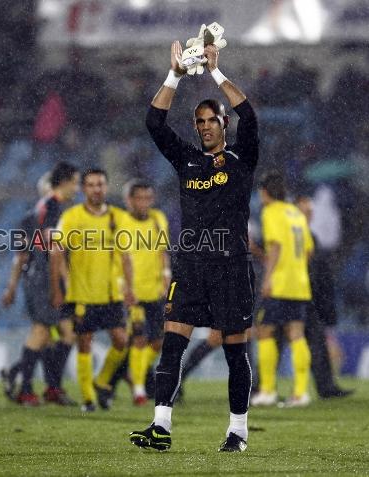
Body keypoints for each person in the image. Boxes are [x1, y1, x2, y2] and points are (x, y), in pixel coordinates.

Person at [130, 40, 258, 452]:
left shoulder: (242, 158)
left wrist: (217, 71)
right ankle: (161, 427)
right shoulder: (186, 160)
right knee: (172, 345)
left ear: (223, 123)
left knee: (235, 354)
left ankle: (237, 431)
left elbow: (249, 113)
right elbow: (153, 122)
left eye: (211, 119)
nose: (204, 126)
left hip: (232, 267)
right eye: (199, 121)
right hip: (191, 268)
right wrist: (175, 75)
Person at [50, 169, 135, 412]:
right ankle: (88, 398)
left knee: (121, 341)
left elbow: (126, 255)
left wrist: (129, 287)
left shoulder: (118, 217)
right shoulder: (72, 217)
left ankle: (102, 380)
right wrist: (57, 288)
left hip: (111, 293)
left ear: (106, 188)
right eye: (90, 185)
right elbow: (57, 252)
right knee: (84, 343)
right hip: (82, 294)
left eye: (100, 184)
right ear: (84, 189)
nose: (96, 189)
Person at [1, 162, 80, 406]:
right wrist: (60, 286)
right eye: (75, 183)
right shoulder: (52, 208)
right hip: (45, 278)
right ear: (64, 182)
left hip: (42, 277)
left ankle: (43, 384)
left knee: (66, 333)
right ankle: (26, 388)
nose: (77, 189)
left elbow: (26, 254)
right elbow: (53, 250)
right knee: (42, 332)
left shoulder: (40, 210)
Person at [251, 173, 313, 408]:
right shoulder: (295, 212)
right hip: (299, 284)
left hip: (279, 283)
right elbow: (308, 251)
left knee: (265, 332)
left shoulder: (271, 212)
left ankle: (267, 391)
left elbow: (275, 246)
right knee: (296, 334)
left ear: (265, 192)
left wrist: (268, 278)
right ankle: (300, 392)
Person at [295, 195, 353, 399]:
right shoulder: (289, 234)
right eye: (304, 211)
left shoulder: (312, 237)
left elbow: (320, 273)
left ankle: (326, 387)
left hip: (308, 299)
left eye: (310, 212)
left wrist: (324, 302)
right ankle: (257, 386)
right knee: (274, 341)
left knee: (317, 342)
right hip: (287, 296)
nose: (308, 215)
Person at [122, 179, 171, 405]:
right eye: (139, 198)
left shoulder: (158, 219)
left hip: (154, 289)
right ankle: (139, 389)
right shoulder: (122, 222)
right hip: (134, 292)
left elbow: (163, 252)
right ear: (130, 200)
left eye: (147, 198)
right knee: (139, 338)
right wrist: (124, 287)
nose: (144, 203)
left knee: (157, 342)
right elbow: (120, 258)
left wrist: (166, 276)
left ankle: (135, 373)